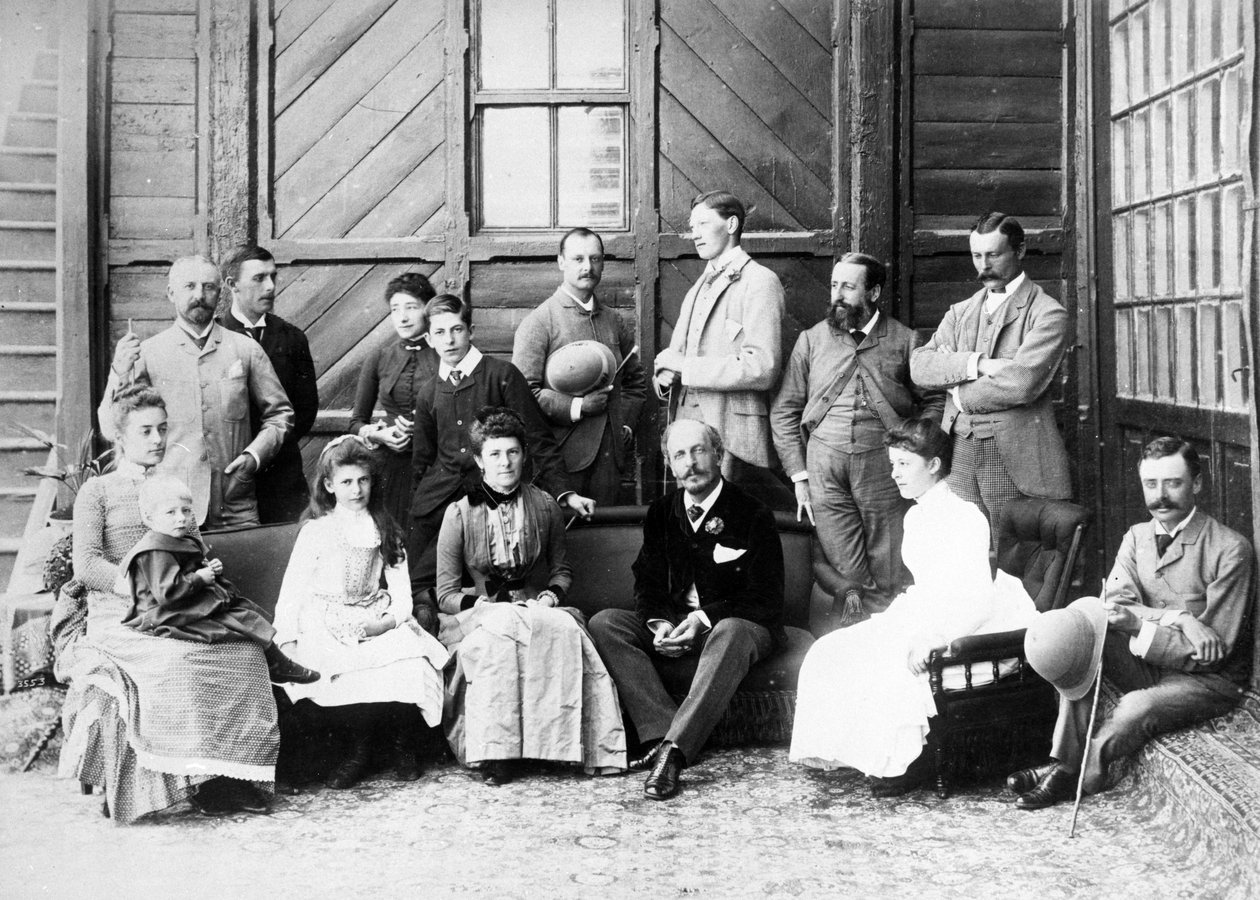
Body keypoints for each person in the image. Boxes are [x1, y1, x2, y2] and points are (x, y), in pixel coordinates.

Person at [57, 386, 281, 822]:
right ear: (119, 437)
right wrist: (138, 588)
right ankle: (173, 783)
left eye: (162, 429)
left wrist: (203, 573)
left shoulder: (173, 489)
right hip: (119, 611)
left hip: (176, 604)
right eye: (146, 431)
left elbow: (192, 545)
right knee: (175, 663)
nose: (158, 439)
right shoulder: (98, 492)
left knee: (244, 653)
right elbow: (85, 564)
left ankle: (224, 777)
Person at [788, 417, 1038, 797]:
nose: (895, 474)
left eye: (904, 464)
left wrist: (935, 638)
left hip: (973, 620)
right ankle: (871, 755)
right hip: (927, 610)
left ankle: (904, 765)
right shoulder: (917, 514)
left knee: (889, 664)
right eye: (892, 465)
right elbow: (926, 587)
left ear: (934, 465)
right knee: (831, 650)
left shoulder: (964, 517)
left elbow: (975, 598)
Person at [1008, 437, 1254, 810]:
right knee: (1080, 640)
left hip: (1208, 681)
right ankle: (1060, 760)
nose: (1160, 496)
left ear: (1198, 484)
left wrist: (1139, 624)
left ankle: (1075, 775)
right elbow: (1115, 604)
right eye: (1150, 485)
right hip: (1153, 659)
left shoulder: (1229, 549)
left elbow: (1211, 652)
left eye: (1173, 483)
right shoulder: (1137, 536)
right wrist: (1179, 618)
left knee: (1135, 707)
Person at [589, 419, 785, 801]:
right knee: (605, 623)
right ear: (669, 463)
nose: (691, 463)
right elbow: (646, 581)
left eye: (698, 451)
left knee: (730, 630)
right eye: (680, 455)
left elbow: (766, 597)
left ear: (718, 454)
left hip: (742, 627)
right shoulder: (662, 512)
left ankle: (675, 753)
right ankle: (662, 733)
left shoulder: (752, 513)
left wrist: (701, 619)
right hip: (677, 622)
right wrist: (660, 624)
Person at [435, 407, 626, 785]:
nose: (504, 462)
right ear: (479, 461)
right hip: (480, 612)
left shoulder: (544, 505)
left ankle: (558, 747)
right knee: (499, 638)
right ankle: (497, 753)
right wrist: (479, 606)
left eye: (512, 452)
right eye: (494, 454)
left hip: (533, 603)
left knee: (561, 632)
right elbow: (444, 593)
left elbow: (561, 570)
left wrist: (552, 597)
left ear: (524, 455)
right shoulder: (459, 513)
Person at [771, 252, 943, 625]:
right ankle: (855, 646)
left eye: (848, 286)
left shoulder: (905, 340)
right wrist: (800, 476)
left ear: (874, 292)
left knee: (889, 569)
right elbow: (784, 411)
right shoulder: (811, 341)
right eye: (834, 285)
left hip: (884, 470)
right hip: (823, 472)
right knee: (847, 574)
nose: (837, 294)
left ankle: (888, 649)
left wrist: (915, 448)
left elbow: (934, 400)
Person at [273, 436, 450, 790]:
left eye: (363, 480)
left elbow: (401, 595)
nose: (356, 490)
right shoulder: (317, 531)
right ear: (329, 485)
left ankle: (402, 744)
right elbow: (292, 592)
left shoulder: (385, 529)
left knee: (409, 659)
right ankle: (359, 750)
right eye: (347, 482)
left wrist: (386, 622)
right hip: (326, 618)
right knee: (340, 669)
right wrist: (287, 640)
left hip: (374, 614)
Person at [408, 293, 595, 607]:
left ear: (471, 331)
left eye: (456, 329)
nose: (449, 340)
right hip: (436, 507)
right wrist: (417, 508)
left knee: (476, 586)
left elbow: (537, 439)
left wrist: (565, 493)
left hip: (490, 504)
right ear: (428, 339)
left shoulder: (502, 376)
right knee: (413, 587)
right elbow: (422, 460)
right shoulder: (429, 392)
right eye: (439, 333)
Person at [910, 212, 1071, 546]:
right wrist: (977, 363)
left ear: (1020, 250)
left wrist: (958, 393)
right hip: (959, 452)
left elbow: (1023, 382)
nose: (983, 265)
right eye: (976, 255)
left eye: (993, 254)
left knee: (1012, 554)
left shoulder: (1047, 313)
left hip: (1014, 457)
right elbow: (920, 367)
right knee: (964, 550)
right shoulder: (961, 312)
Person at [100, 255, 294, 528]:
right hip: (172, 509)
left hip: (234, 504)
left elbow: (281, 415)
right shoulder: (149, 353)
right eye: (189, 286)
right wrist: (119, 373)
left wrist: (254, 456)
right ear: (171, 293)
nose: (199, 295)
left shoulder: (245, 349)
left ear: (220, 293)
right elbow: (111, 427)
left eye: (208, 287)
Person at [652, 190, 791, 510]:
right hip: (687, 436)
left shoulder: (760, 282)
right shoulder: (698, 286)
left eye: (702, 223)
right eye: (691, 225)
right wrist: (664, 377)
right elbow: (677, 361)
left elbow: (763, 367)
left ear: (731, 224)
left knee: (730, 530)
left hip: (734, 440)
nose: (694, 233)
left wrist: (685, 367)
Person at [119, 473, 318, 684]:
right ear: (149, 518)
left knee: (245, 609)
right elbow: (168, 592)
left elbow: (188, 570)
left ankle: (278, 663)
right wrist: (199, 579)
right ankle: (278, 666)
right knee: (237, 620)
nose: (181, 518)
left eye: (186, 510)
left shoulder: (175, 539)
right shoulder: (156, 550)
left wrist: (209, 568)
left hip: (182, 603)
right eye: (171, 512)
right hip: (163, 612)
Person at [512, 227, 647, 505]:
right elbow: (524, 396)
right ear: (561, 262)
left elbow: (635, 382)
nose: (588, 267)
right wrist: (578, 407)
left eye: (595, 259)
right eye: (578, 259)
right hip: (561, 462)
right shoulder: (539, 322)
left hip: (611, 461)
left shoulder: (614, 321)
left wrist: (626, 427)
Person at [218, 244, 319, 524]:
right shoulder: (215, 338)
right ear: (232, 284)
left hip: (281, 479)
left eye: (273, 276)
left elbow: (305, 411)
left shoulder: (291, 338)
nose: (270, 286)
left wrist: (266, 451)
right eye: (259, 278)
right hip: (228, 477)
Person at [349, 272, 440, 534]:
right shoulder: (379, 357)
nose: (402, 317)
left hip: (434, 463)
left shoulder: (446, 354)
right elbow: (357, 422)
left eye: (411, 307)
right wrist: (380, 435)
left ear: (428, 310)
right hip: (388, 465)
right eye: (395, 309)